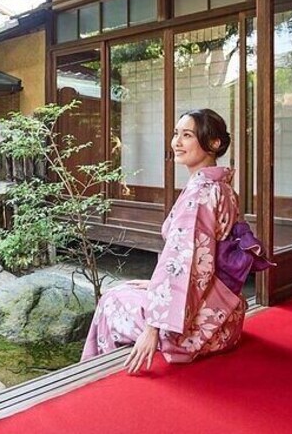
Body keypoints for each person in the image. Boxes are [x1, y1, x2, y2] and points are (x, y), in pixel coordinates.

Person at [81, 108, 247, 373]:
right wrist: (153, 285)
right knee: (131, 290)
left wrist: (152, 328)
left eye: (188, 135)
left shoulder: (199, 196)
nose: (176, 142)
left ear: (214, 143)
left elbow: (184, 264)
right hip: (227, 318)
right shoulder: (222, 187)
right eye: (175, 134)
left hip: (196, 330)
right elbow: (199, 265)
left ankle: (96, 377)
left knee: (112, 299)